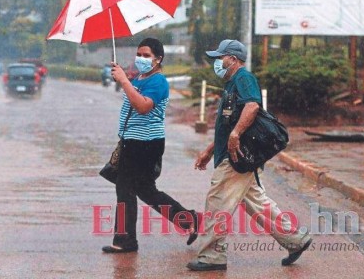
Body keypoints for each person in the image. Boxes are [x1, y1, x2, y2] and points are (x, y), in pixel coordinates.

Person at [187, 39, 312, 272]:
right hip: (234, 154)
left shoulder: (243, 78)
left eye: (220, 57)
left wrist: (235, 135)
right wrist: (208, 151)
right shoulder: (231, 84)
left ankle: (213, 255)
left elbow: (252, 107)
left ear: (232, 59)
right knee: (257, 203)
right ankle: (296, 240)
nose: (217, 62)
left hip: (237, 157)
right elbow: (227, 125)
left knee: (218, 202)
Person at [102, 38, 198, 253]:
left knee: (125, 188)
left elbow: (144, 107)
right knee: (145, 189)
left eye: (147, 56)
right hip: (133, 141)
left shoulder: (158, 82)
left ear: (158, 59)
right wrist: (125, 80)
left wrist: (125, 82)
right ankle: (188, 219)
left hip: (144, 144)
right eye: (139, 54)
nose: (141, 59)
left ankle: (125, 241)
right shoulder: (140, 78)